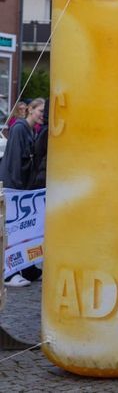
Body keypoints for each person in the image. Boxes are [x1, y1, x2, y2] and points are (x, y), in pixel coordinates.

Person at [1, 98, 45, 287]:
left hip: (22, 190)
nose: (42, 114)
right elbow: (15, 163)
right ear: (30, 110)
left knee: (25, 230)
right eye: (40, 110)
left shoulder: (30, 131)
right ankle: (8, 273)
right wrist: (17, 191)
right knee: (12, 230)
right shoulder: (20, 129)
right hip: (14, 189)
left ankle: (27, 268)